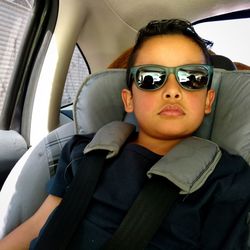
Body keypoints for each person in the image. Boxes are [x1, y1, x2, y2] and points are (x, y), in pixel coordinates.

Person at [1, 18, 250, 250]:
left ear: (208, 101)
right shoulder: (84, 150)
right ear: (129, 100)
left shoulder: (227, 180)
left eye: (192, 77)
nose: (173, 91)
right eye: (151, 78)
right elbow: (37, 225)